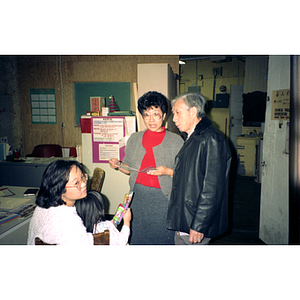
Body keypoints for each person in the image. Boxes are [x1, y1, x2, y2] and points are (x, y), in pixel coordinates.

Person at [109, 91, 184, 245]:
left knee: (162, 240)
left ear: (164, 115)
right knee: (137, 239)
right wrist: (118, 165)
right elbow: (129, 168)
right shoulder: (135, 139)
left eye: (156, 114)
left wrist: (167, 172)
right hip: (137, 199)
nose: (151, 119)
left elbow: (185, 174)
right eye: (146, 114)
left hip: (163, 200)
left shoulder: (176, 141)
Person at [166, 92, 232, 245]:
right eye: (173, 113)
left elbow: (213, 189)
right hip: (186, 218)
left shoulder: (211, 139)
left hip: (195, 223)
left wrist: (199, 225)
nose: (174, 118)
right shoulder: (193, 136)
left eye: (178, 113)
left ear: (193, 111)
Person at [27, 160, 93, 245]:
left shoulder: (40, 208)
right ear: (59, 189)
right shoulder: (70, 221)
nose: (84, 184)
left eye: (82, 177)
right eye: (76, 183)